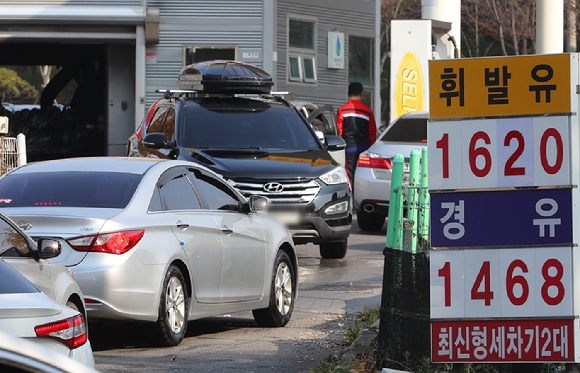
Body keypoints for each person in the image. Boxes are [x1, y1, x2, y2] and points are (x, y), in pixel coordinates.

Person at [336, 82, 377, 186]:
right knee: (363, 175)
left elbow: (339, 132)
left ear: (348, 94)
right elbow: (372, 132)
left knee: (351, 177)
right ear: (361, 95)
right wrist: (369, 147)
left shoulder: (342, 110)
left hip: (349, 148)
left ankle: (352, 199)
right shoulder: (368, 111)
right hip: (364, 148)